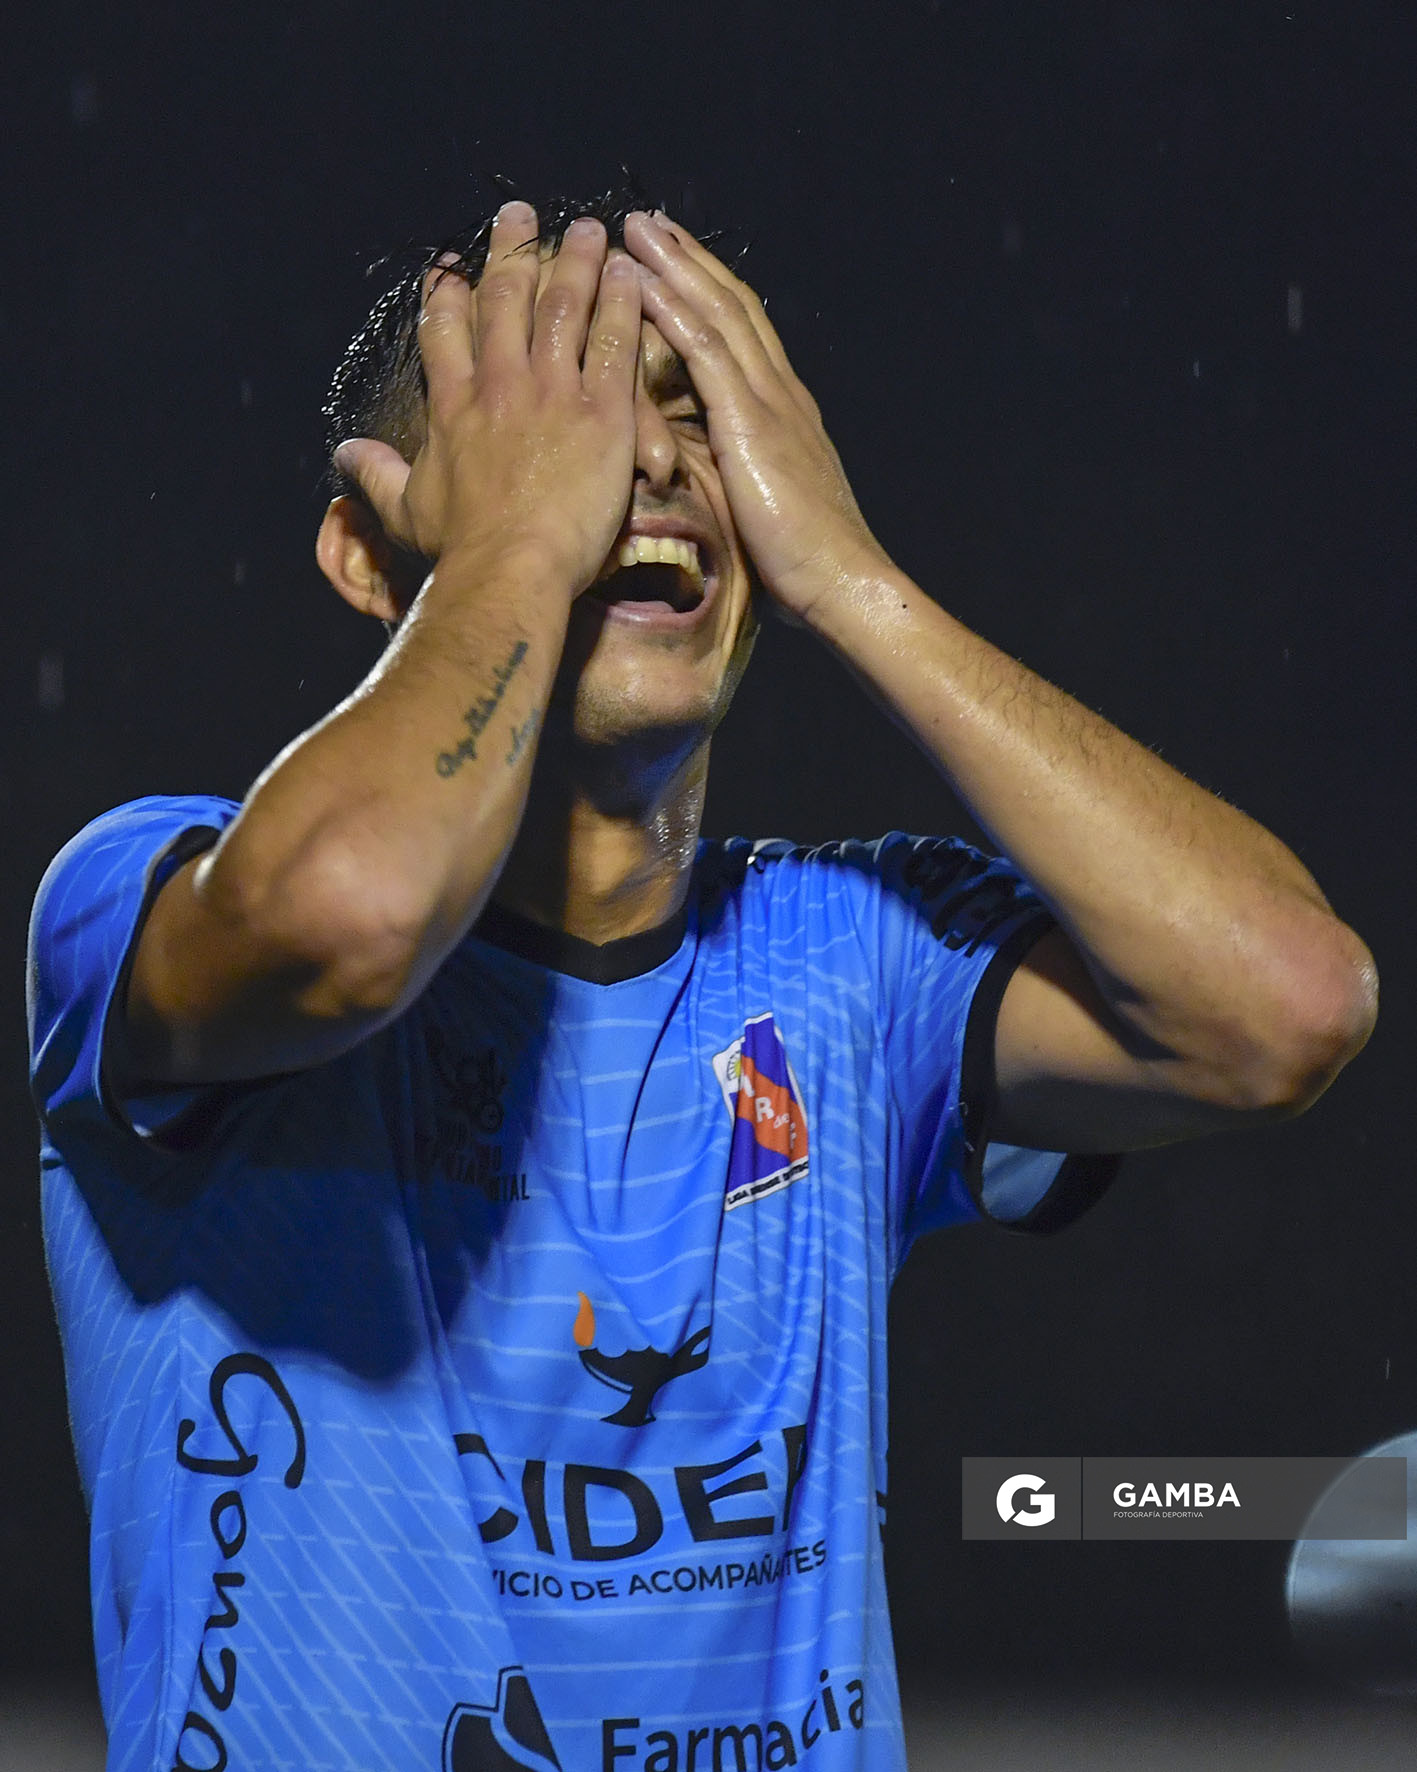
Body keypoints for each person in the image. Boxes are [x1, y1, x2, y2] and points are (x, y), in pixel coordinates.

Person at [27, 188, 1376, 1772]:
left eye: (689, 420)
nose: (642, 462)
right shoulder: (150, 894)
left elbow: (1287, 1005)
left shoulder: (853, 956)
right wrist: (528, 538)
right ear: (363, 547)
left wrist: (852, 578)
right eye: (558, 417)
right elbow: (352, 921)